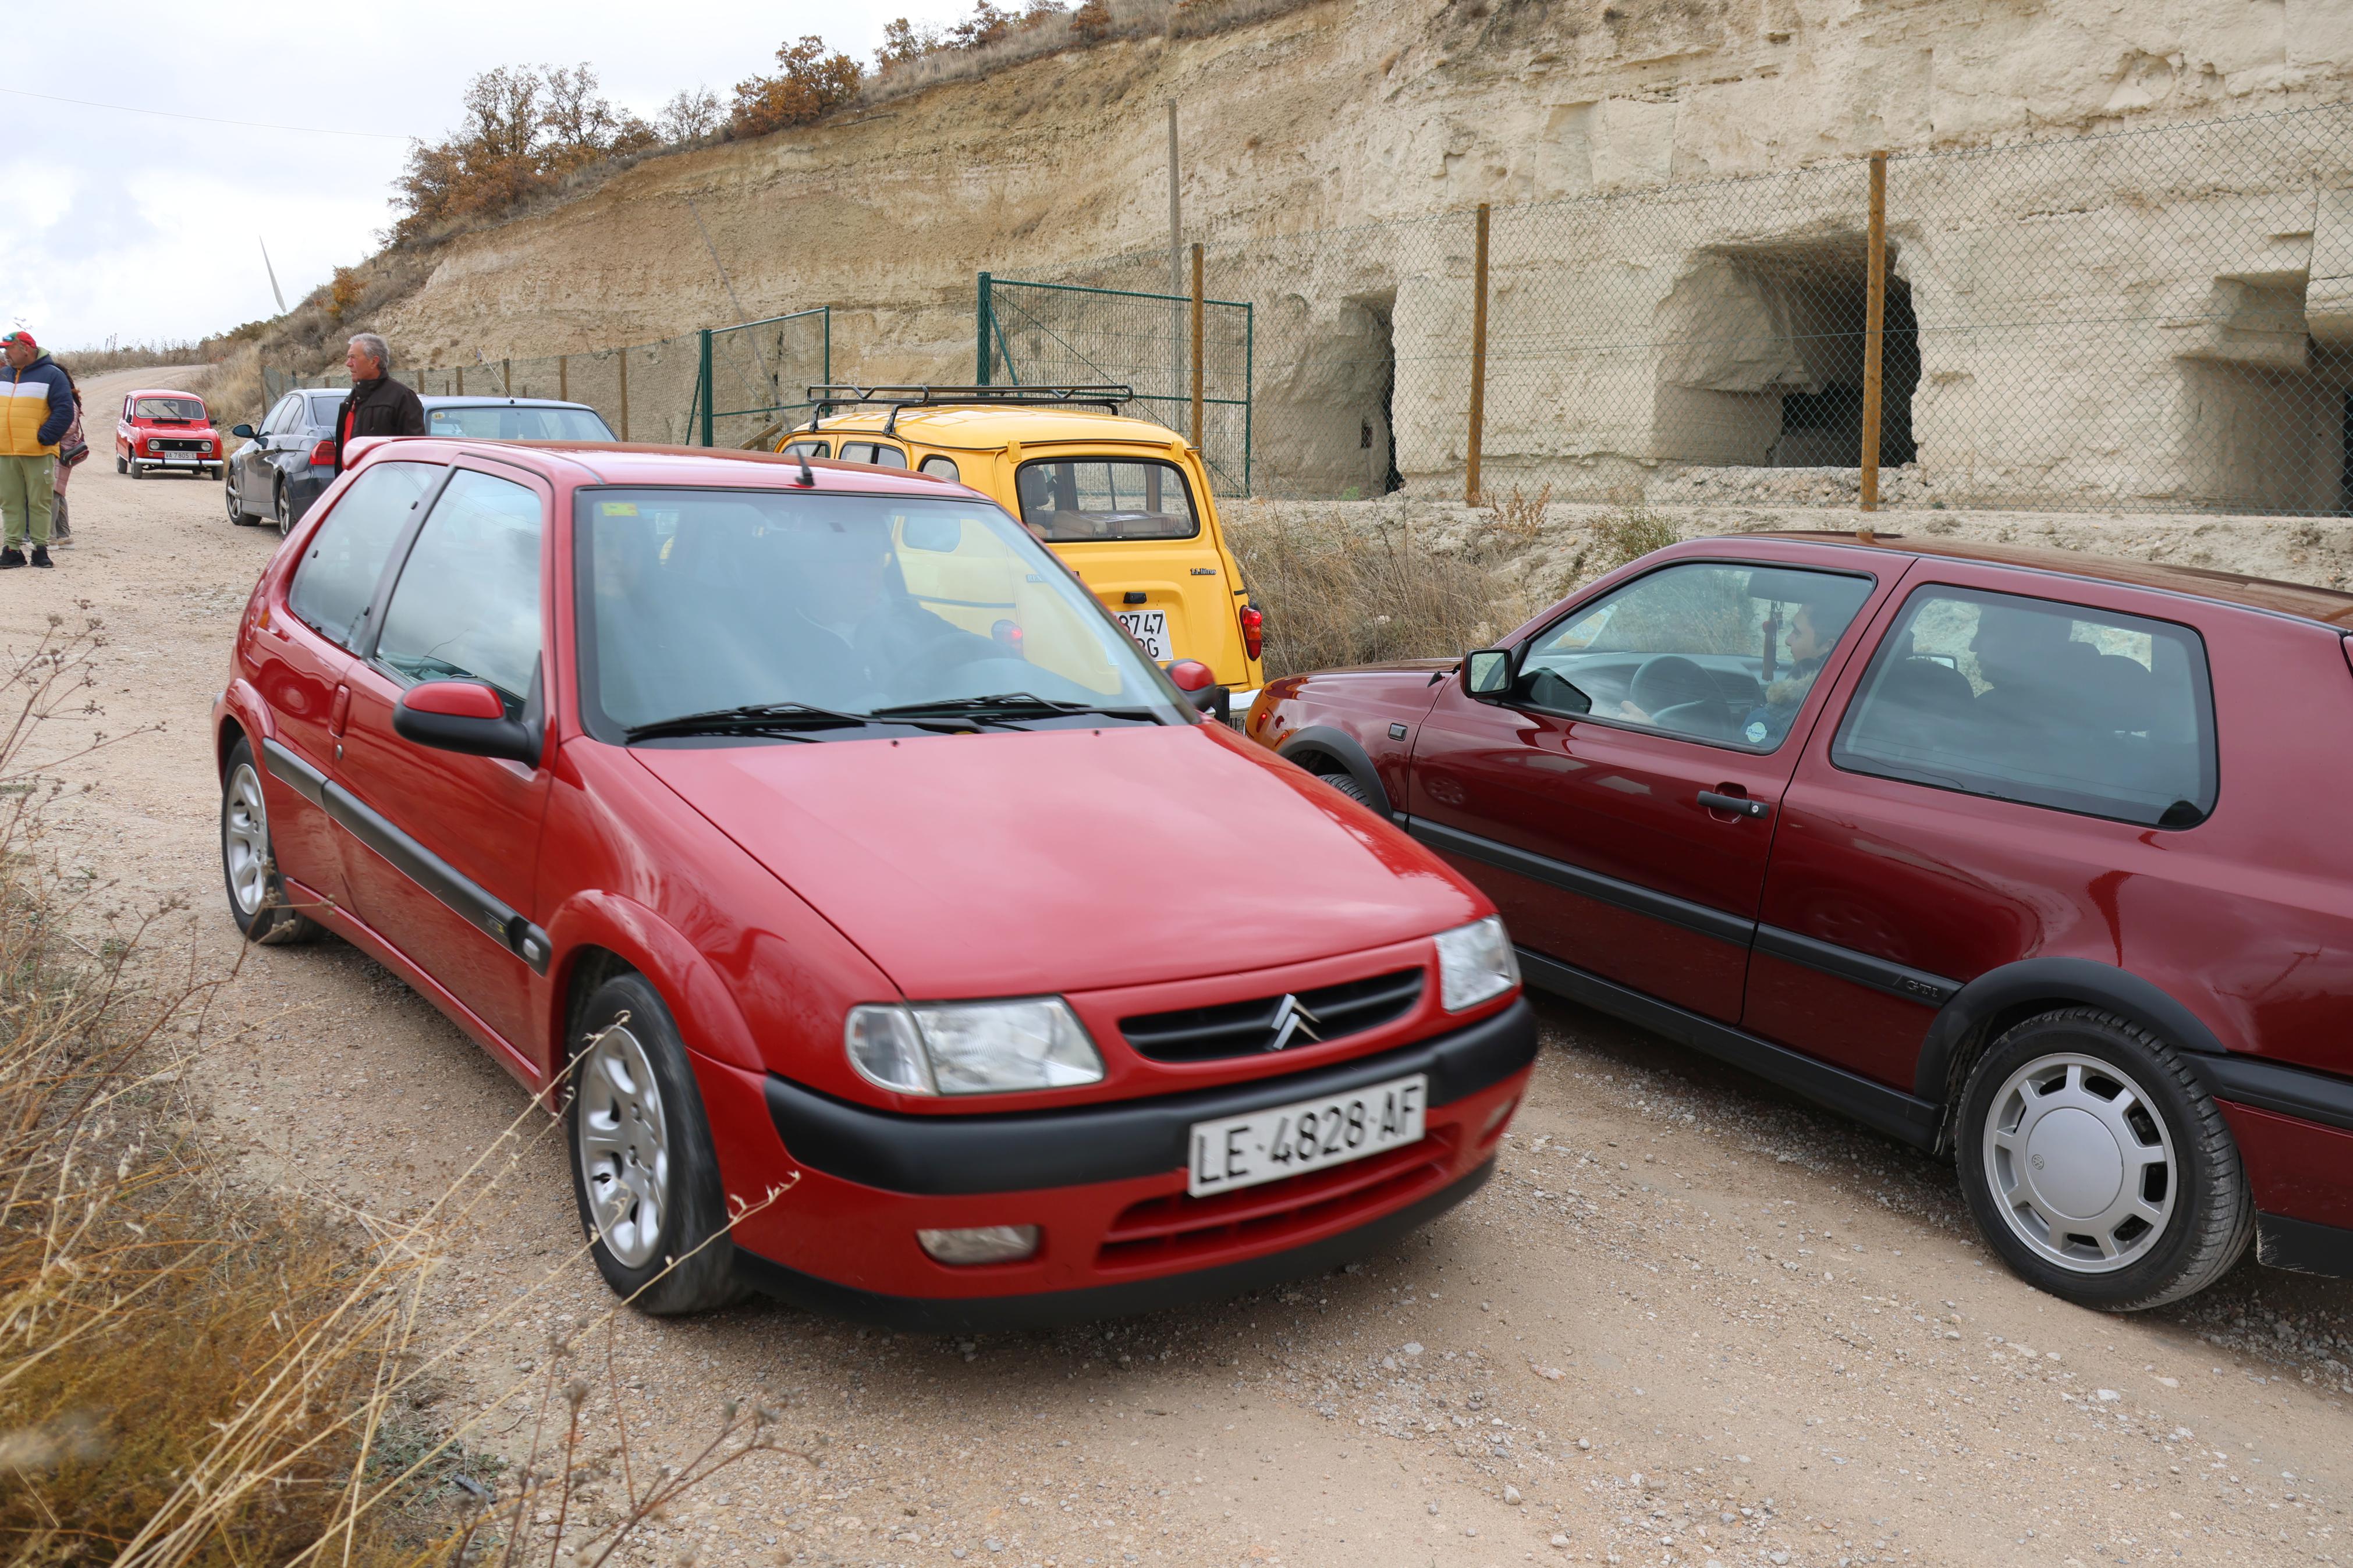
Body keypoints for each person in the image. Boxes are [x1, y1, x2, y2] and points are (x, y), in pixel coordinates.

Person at [0, 330, 74, 568]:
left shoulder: (53, 375)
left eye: (9, 349)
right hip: (5, 452)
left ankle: (40, 550)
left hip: (38, 452)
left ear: (25, 348)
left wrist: (44, 438)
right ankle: (12, 550)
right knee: (10, 502)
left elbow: (64, 410)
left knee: (39, 502)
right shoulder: (4, 375)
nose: (5, 354)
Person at [331, 332, 424, 473]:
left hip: (385, 489)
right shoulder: (351, 400)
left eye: (353, 358)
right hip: (352, 486)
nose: (348, 363)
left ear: (373, 361)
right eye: (348, 358)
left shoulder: (402, 398)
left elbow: (415, 452)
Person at [48, 360, 83, 542]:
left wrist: (47, 432)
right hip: (62, 451)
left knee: (53, 492)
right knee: (58, 493)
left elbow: (68, 428)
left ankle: (51, 536)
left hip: (61, 451)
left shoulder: (67, 401)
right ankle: (63, 534)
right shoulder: (68, 398)